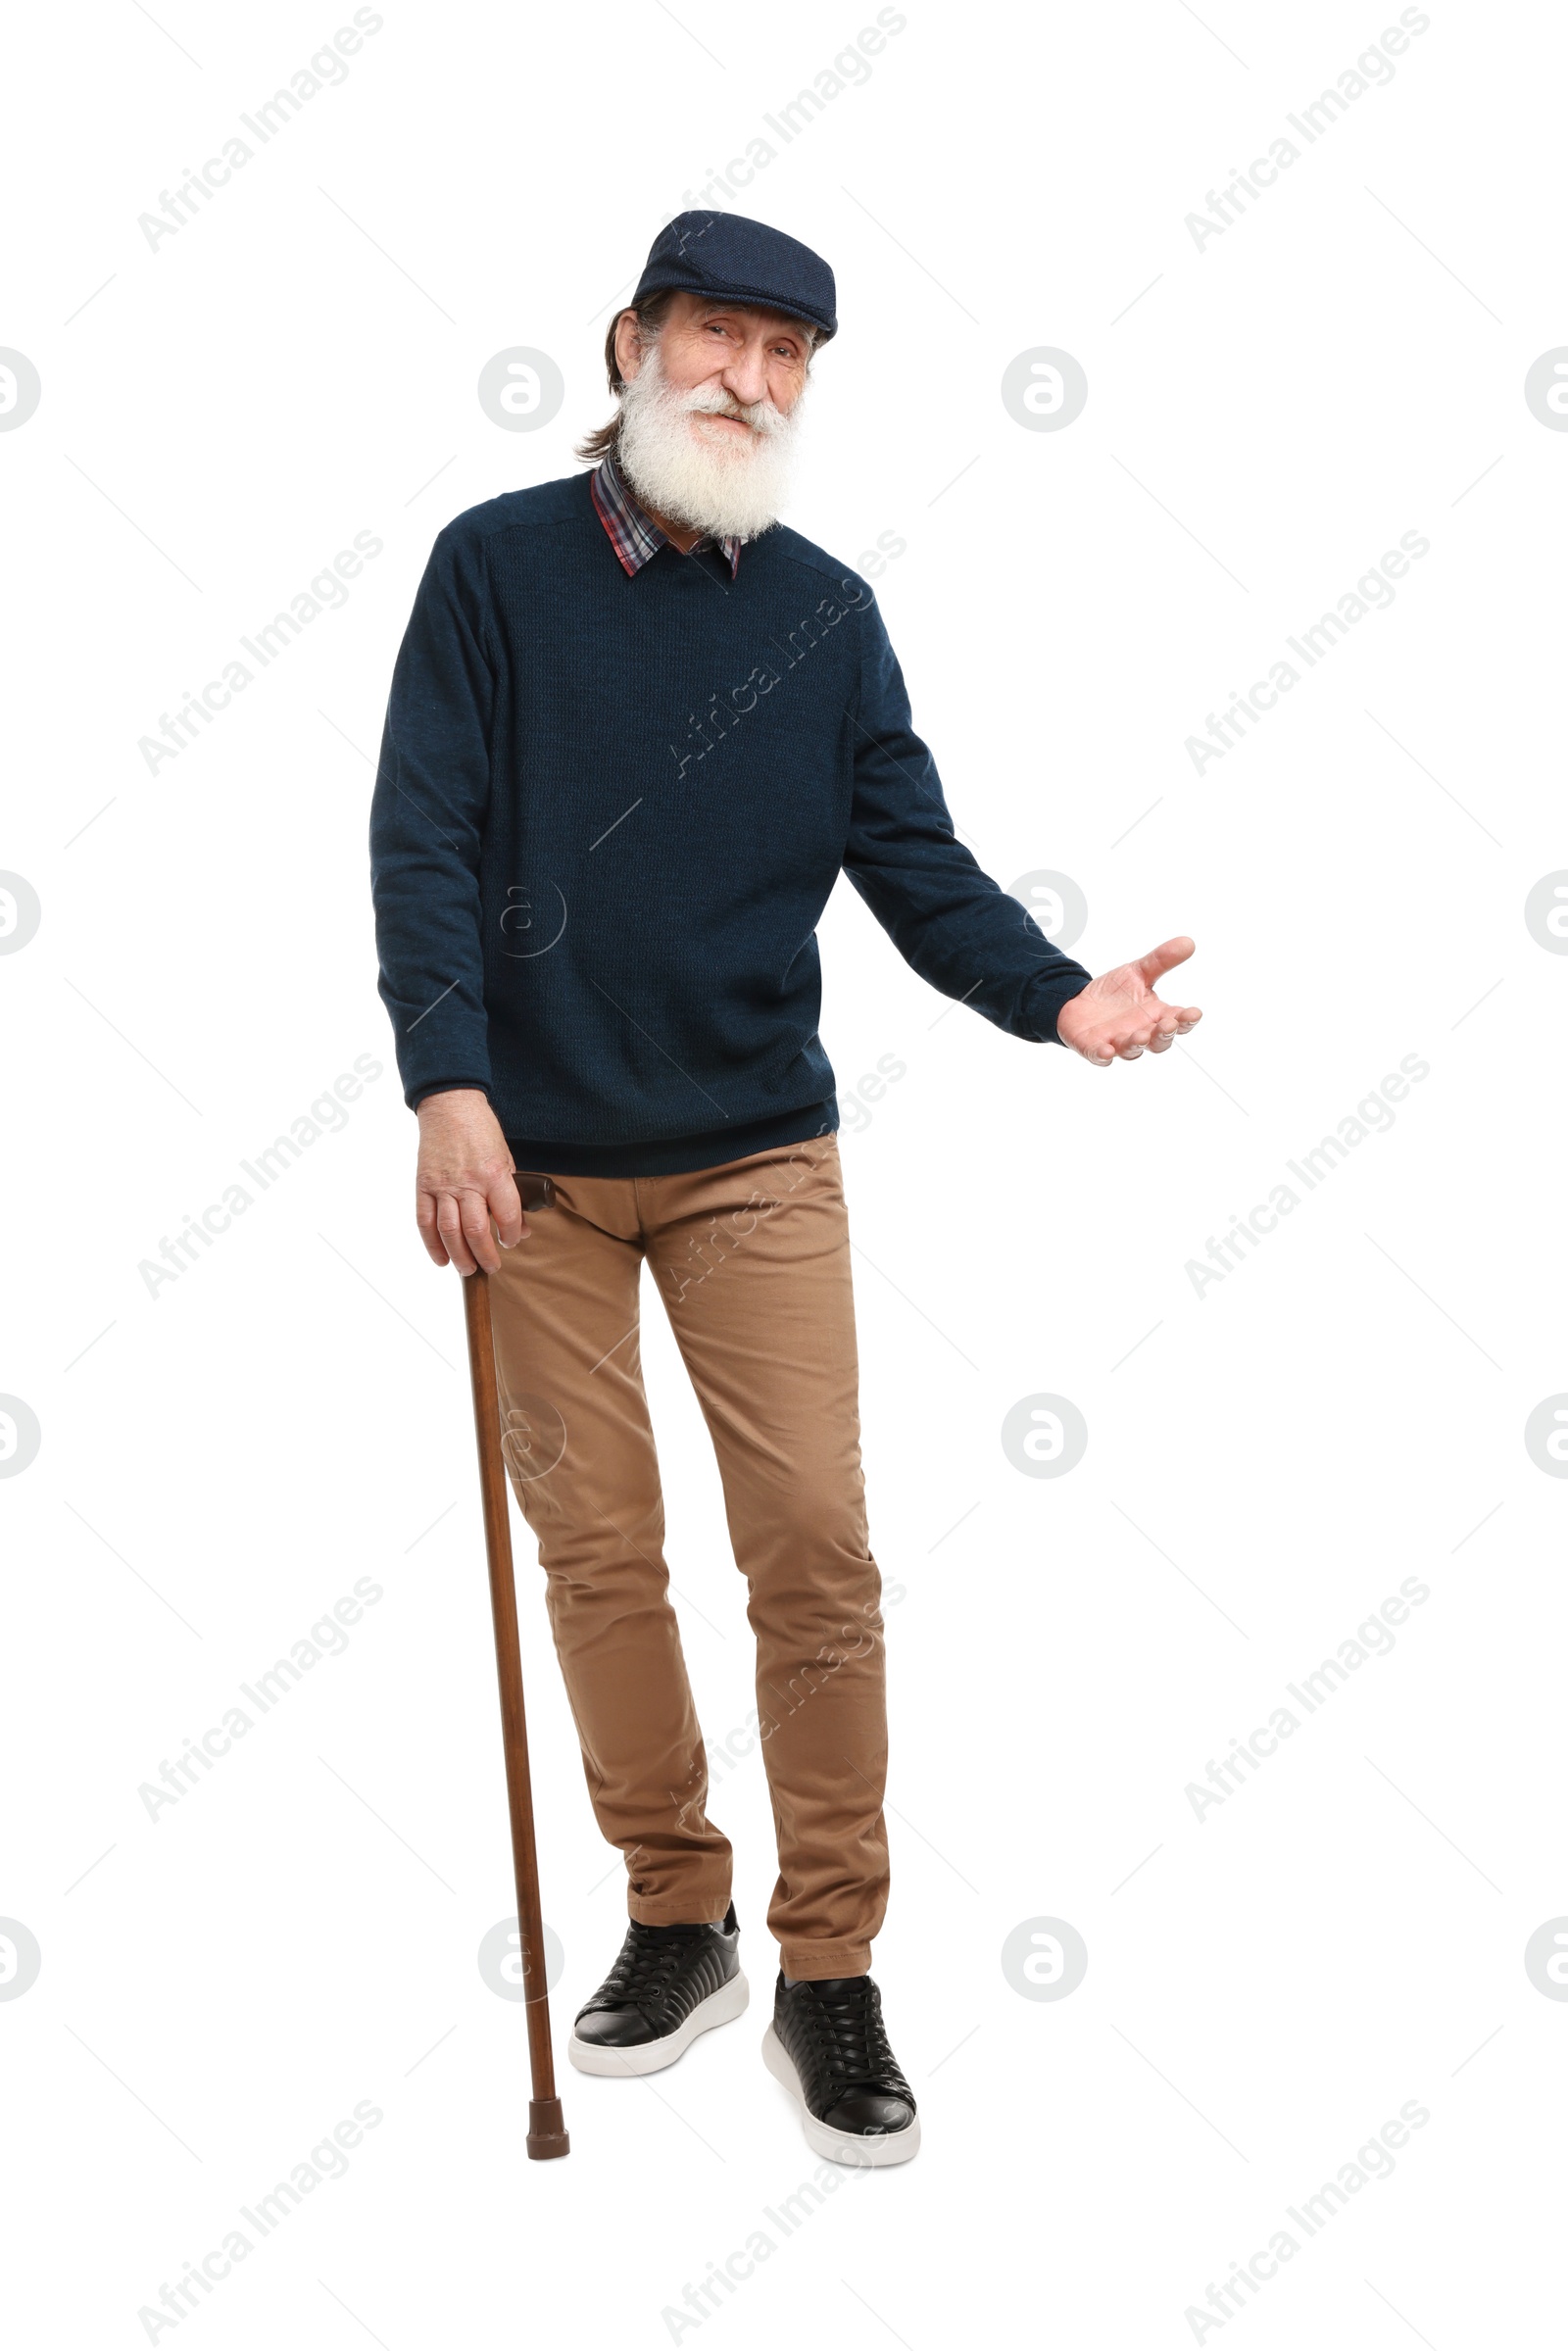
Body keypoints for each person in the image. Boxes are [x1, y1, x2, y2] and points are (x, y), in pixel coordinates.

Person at [368, 210, 1200, 2166]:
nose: (747, 377)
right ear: (632, 344)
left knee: (814, 1545)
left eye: (786, 351)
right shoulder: (492, 570)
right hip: (535, 1174)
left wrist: (1049, 993)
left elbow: (908, 857)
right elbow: (424, 834)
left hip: (753, 1152)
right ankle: (676, 1909)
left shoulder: (823, 615)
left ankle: (828, 1963)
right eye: (715, 335)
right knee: (595, 1558)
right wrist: (445, 1084)